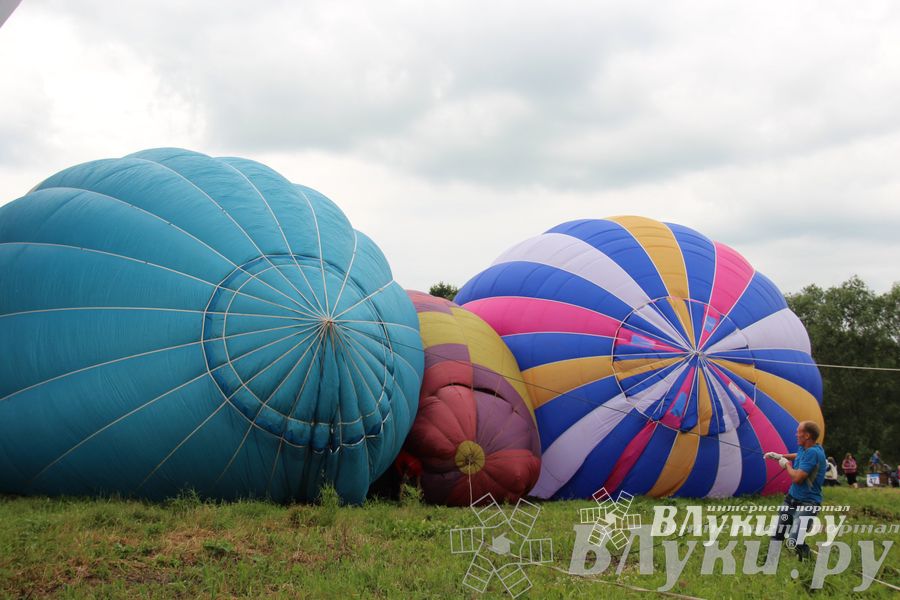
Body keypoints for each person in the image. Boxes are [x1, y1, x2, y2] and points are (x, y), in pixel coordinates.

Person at [765, 420, 826, 561]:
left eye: (799, 432)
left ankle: (810, 564)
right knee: (777, 534)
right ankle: (769, 564)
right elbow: (799, 456)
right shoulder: (806, 448)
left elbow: (797, 478)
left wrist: (786, 465)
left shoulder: (813, 453)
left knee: (795, 540)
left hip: (808, 503)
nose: (796, 434)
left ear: (807, 436)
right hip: (791, 499)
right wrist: (780, 456)